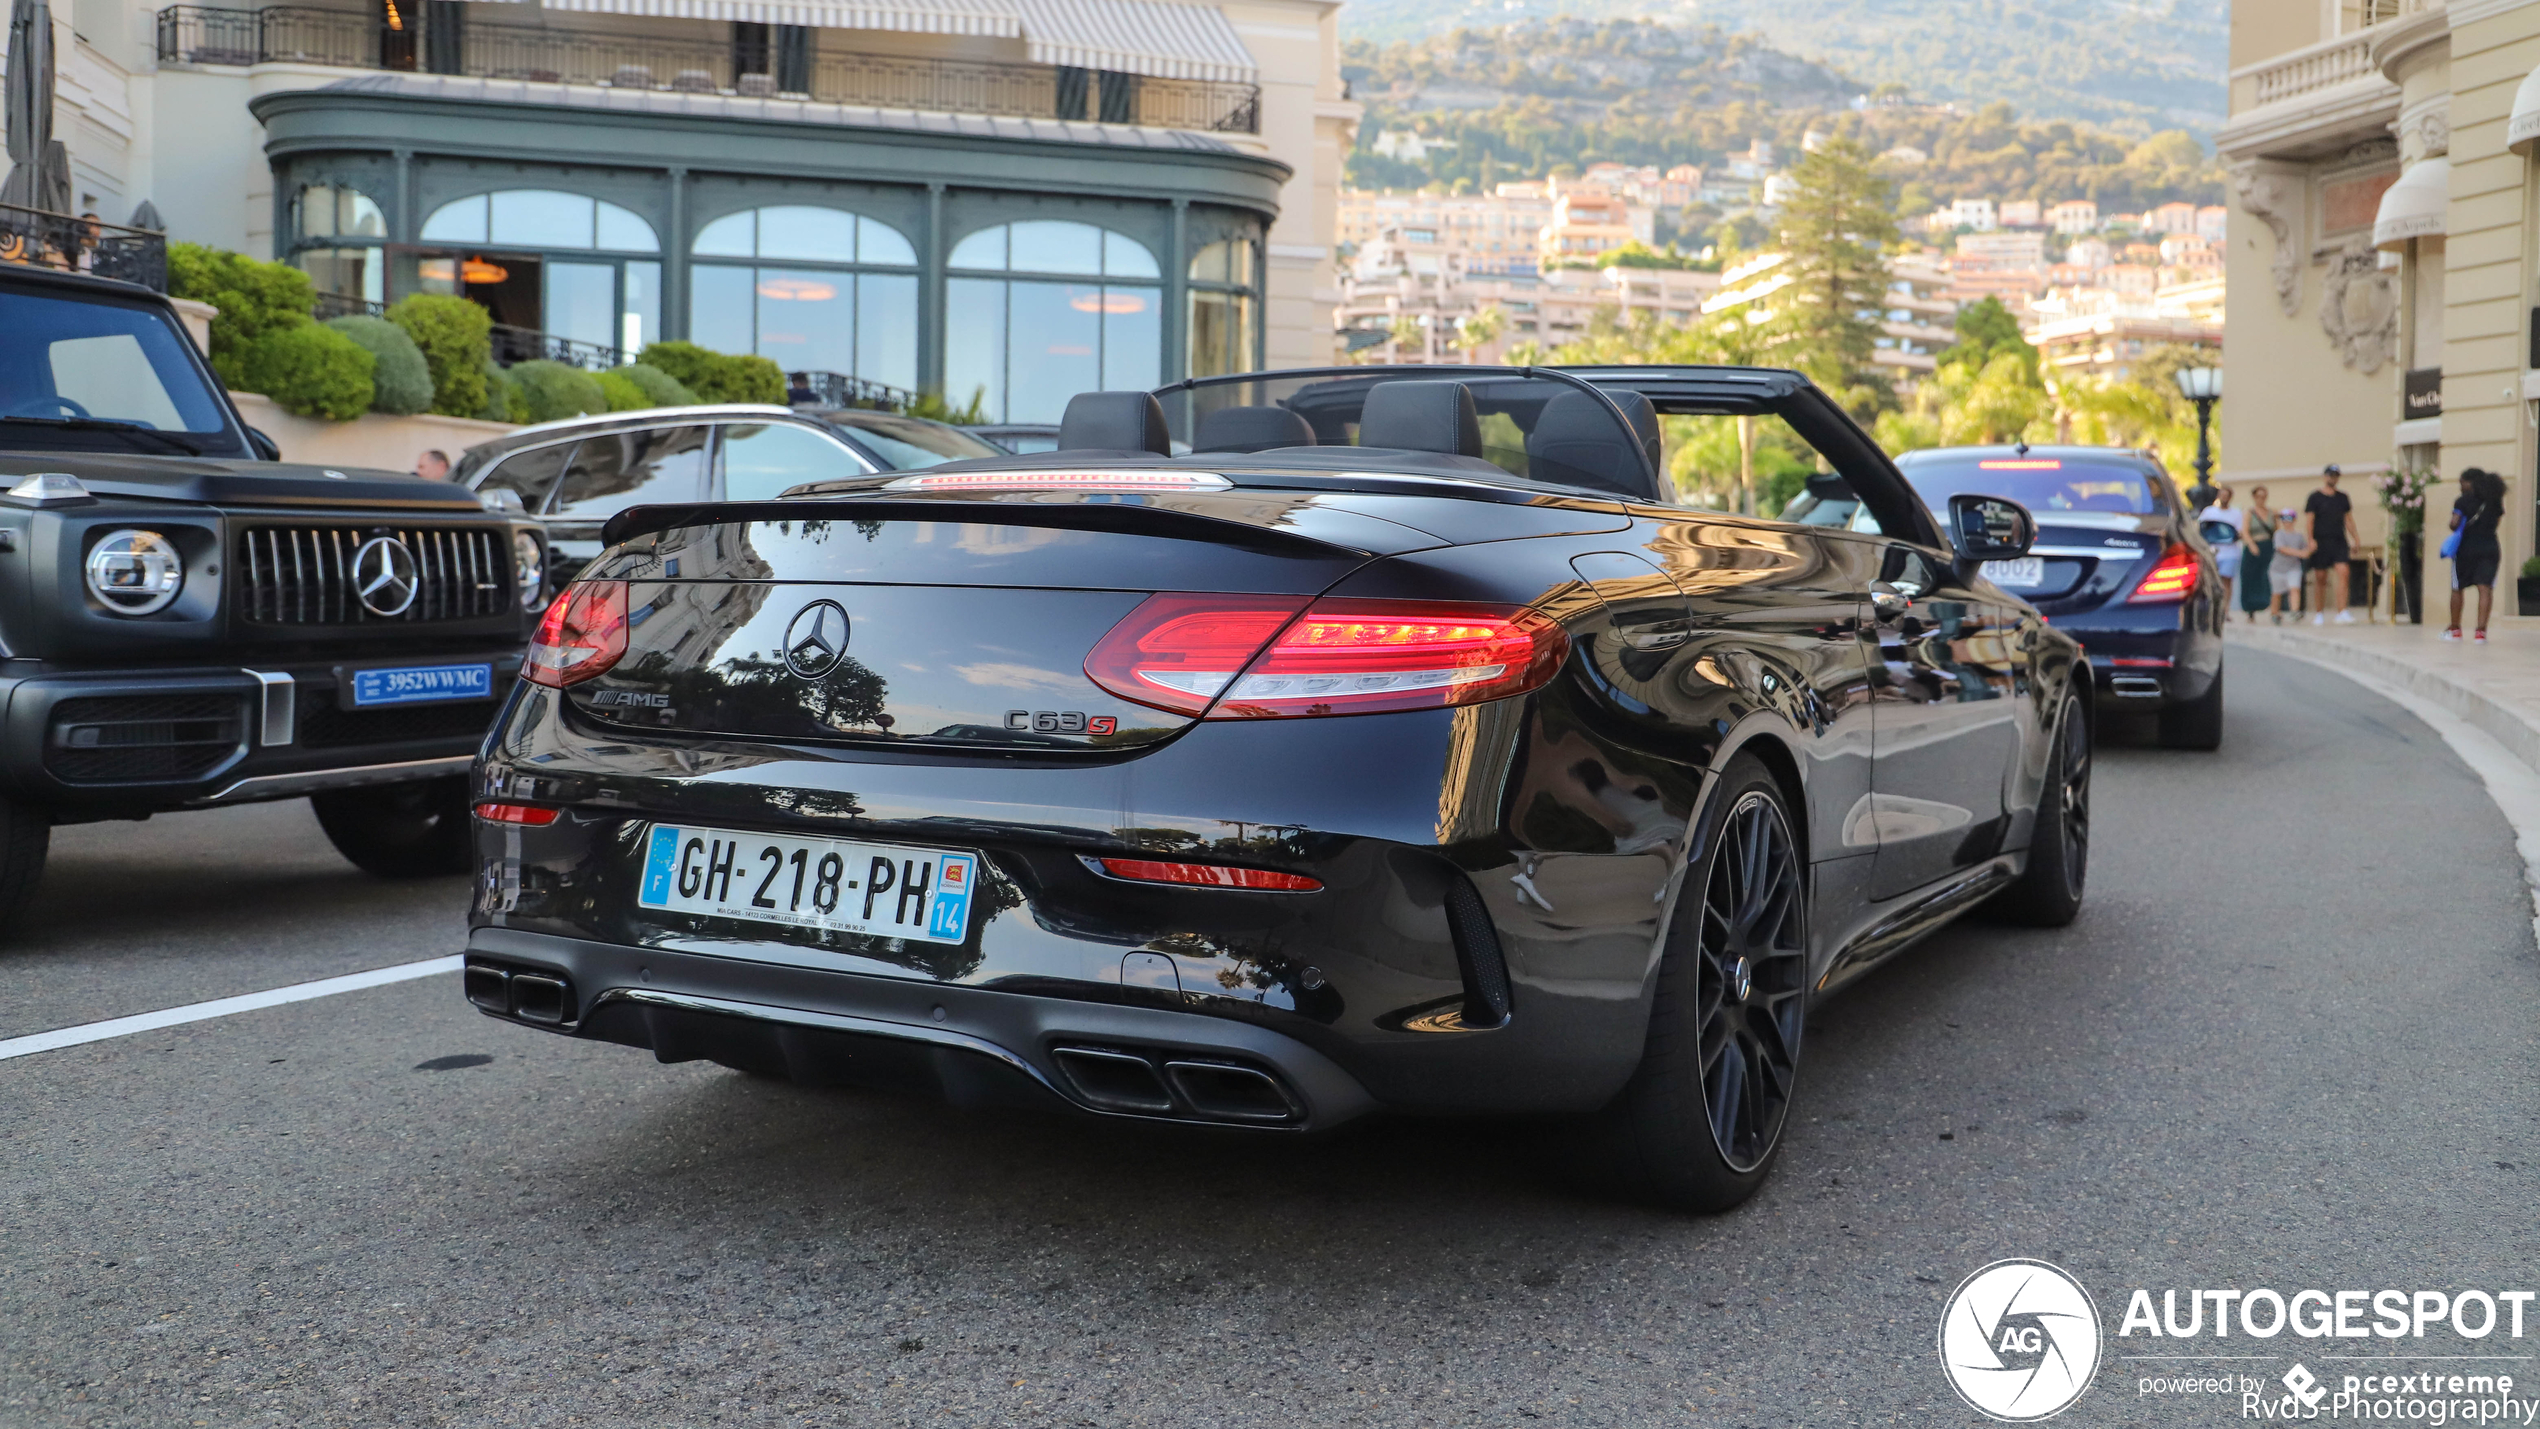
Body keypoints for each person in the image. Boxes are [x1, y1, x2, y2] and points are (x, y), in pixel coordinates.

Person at [2446, 466, 2507, 643]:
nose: (2460, 486)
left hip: (2465, 549)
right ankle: (2480, 632)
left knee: (2457, 588)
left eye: (2462, 483)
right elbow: (2496, 523)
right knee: (2485, 588)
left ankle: (2455, 630)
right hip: (2490, 548)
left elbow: (2454, 523)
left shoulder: (2462, 501)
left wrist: (2456, 525)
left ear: (2470, 482)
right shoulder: (2495, 501)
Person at [2303, 464, 2360, 624]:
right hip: (2321, 540)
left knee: (2343, 572)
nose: (2332, 478)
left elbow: (2348, 519)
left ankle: (2342, 611)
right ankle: (2319, 613)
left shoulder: (2343, 498)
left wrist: (2355, 537)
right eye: (2330, 475)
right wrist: (2310, 540)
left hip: (2338, 540)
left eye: (2335, 476)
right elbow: (2309, 521)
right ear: (2325, 477)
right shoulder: (2314, 497)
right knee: (2320, 577)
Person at [2268, 506, 2312, 624]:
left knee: (2294, 588)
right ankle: (2275, 613)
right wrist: (2300, 553)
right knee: (2277, 593)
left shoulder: (2299, 535)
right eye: (2284, 518)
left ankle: (2294, 611)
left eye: (2289, 518)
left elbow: (2306, 548)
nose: (2287, 521)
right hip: (2278, 568)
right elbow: (2281, 548)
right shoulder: (2279, 534)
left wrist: (2309, 549)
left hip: (2293, 567)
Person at [2239, 485, 2276, 623]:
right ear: (2254, 497)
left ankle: (2270, 606)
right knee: (2251, 578)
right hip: (2253, 547)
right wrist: (2251, 545)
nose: (2262, 499)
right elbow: (2245, 531)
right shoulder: (2249, 512)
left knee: (2266, 577)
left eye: (2264, 496)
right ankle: (2250, 610)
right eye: (2259, 496)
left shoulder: (2271, 512)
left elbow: (2275, 530)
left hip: (2268, 546)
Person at [2199, 483, 2242, 595]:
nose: (2224, 498)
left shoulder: (2236, 513)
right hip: (2212, 552)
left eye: (2226, 495)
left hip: (2230, 553)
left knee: (2226, 581)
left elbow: (2240, 532)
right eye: (2222, 495)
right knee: (2210, 581)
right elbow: (2201, 529)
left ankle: (2225, 609)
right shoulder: (2209, 512)